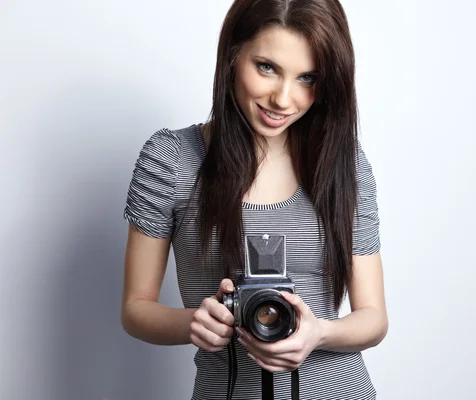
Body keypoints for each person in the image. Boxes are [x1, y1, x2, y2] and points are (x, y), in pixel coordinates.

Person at [120, 0, 388, 399]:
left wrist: (319, 333)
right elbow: (136, 309)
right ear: (232, 55)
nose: (283, 99)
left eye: (308, 78)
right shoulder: (171, 159)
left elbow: (374, 318)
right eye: (267, 67)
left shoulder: (343, 163)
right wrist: (195, 322)